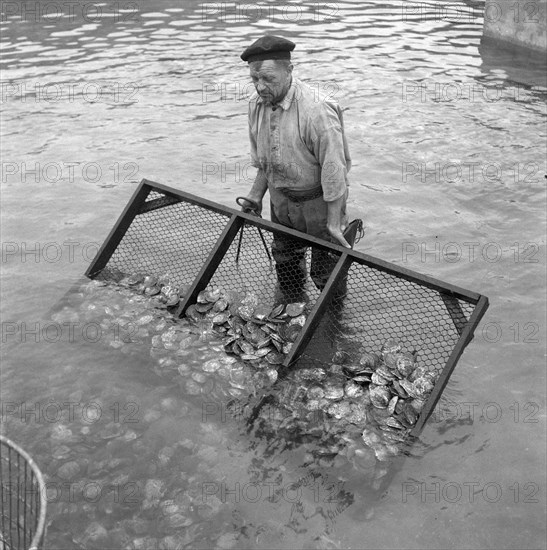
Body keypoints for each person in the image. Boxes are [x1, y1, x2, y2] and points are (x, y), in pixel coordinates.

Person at [240, 34, 352, 304]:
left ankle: (331, 328)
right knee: (287, 269)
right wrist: (256, 195)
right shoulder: (256, 105)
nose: (260, 87)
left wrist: (334, 222)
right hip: (281, 203)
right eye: (255, 79)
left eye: (268, 79)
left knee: (328, 279)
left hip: (318, 204)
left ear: (289, 70)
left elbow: (335, 169)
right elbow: (264, 160)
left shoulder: (317, 110)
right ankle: (289, 313)